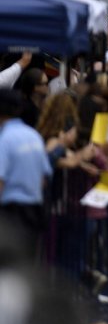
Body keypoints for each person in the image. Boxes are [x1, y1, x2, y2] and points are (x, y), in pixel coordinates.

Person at [0, 89, 52, 254]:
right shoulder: (34, 135)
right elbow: (44, 177)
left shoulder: (4, 139)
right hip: (34, 209)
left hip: (11, 213)